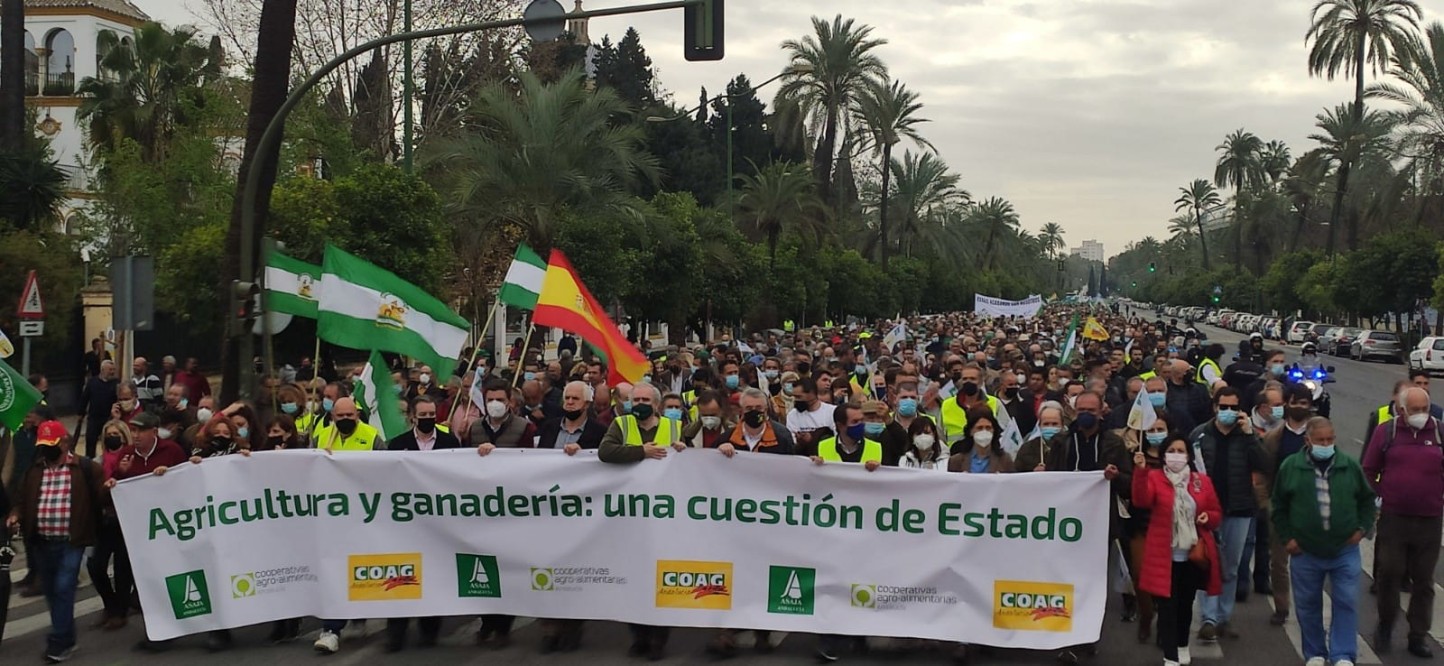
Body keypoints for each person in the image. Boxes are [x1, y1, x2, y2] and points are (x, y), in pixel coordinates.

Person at [595, 381, 686, 660]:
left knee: (660, 579)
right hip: (630, 514)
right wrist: (640, 452)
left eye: (646, 399)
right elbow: (606, 452)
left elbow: (695, 461)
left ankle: (659, 637)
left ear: (657, 404)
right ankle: (638, 636)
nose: (640, 405)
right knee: (634, 578)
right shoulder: (621, 425)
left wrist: (684, 449)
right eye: (636, 400)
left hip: (665, 514)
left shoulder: (675, 427)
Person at [1274, 417, 1375, 666]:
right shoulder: (1291, 467)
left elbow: (1366, 500)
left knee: (1346, 600)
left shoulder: (1349, 465)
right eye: (1320, 440)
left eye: (1330, 439)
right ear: (1308, 441)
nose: (1326, 444)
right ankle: (1315, 653)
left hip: (1344, 550)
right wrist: (1288, 538)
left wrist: (1361, 529)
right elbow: (1278, 507)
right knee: (1308, 604)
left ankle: (1343, 654)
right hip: (1306, 551)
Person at [5, 420, 106, 663]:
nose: (46, 448)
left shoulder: (85, 468)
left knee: (63, 587)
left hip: (72, 541)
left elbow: (101, 495)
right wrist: (16, 514)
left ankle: (58, 643)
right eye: (43, 444)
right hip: (41, 541)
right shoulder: (35, 470)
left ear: (65, 442)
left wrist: (110, 487)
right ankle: (68, 638)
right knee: (52, 591)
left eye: (51, 444)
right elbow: (22, 498)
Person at [1362, 387, 1443, 658]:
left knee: (1423, 581)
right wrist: (1381, 495)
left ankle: (1417, 635)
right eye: (1415, 410)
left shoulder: (1440, 432)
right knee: (1390, 573)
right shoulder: (1387, 432)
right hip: (1395, 518)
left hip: (1429, 520)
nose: (1420, 415)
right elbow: (1369, 468)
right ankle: (1385, 625)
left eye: (1424, 409)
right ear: (1403, 410)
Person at [1131, 433, 1223, 666]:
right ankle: (1170, 656)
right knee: (1167, 608)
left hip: (1192, 555)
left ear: (1189, 456)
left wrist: (1206, 517)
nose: (1176, 455)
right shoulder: (1154, 478)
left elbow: (1215, 513)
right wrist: (1140, 472)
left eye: (1181, 451)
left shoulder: (1201, 481)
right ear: (1163, 455)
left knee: (1185, 605)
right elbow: (1141, 500)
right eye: (1171, 450)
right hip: (1164, 555)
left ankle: (1182, 644)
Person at [381, 395, 461, 652]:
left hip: (438, 521)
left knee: (434, 574)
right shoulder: (398, 444)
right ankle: (396, 632)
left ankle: (429, 630)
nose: (427, 419)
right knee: (400, 576)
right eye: (422, 415)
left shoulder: (450, 442)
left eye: (431, 414)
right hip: (405, 521)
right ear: (412, 417)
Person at [1190, 387, 1268, 642]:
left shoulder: (1248, 435)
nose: (1228, 412)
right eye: (1223, 407)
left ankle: (1224, 617)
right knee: (1208, 563)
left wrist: (1249, 436)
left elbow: (1264, 464)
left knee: (1231, 567)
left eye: (1233, 408)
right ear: (1215, 407)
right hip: (1208, 511)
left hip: (1240, 508)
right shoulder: (1200, 434)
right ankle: (1209, 619)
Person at [715, 388, 795, 454]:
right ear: (741, 411)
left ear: (766, 410)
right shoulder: (727, 438)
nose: (754, 412)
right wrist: (719, 452)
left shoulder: (782, 437)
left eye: (758, 408)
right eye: (749, 408)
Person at [537, 381, 607, 451]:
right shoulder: (549, 427)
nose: (570, 402)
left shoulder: (599, 432)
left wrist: (582, 452)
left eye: (575, 398)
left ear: (587, 404)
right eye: (567, 398)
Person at [79, 360, 119, 458]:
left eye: (113, 370)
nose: (112, 372)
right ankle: (90, 459)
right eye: (110, 369)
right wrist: (81, 413)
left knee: (109, 440)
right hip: (94, 417)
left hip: (109, 418)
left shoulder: (116, 383)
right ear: (102, 370)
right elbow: (84, 398)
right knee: (90, 440)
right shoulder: (92, 382)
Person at [787, 377, 836, 457]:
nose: (796, 400)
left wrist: (814, 438)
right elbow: (792, 442)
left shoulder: (831, 411)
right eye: (794, 397)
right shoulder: (792, 415)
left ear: (812, 393)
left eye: (799, 397)